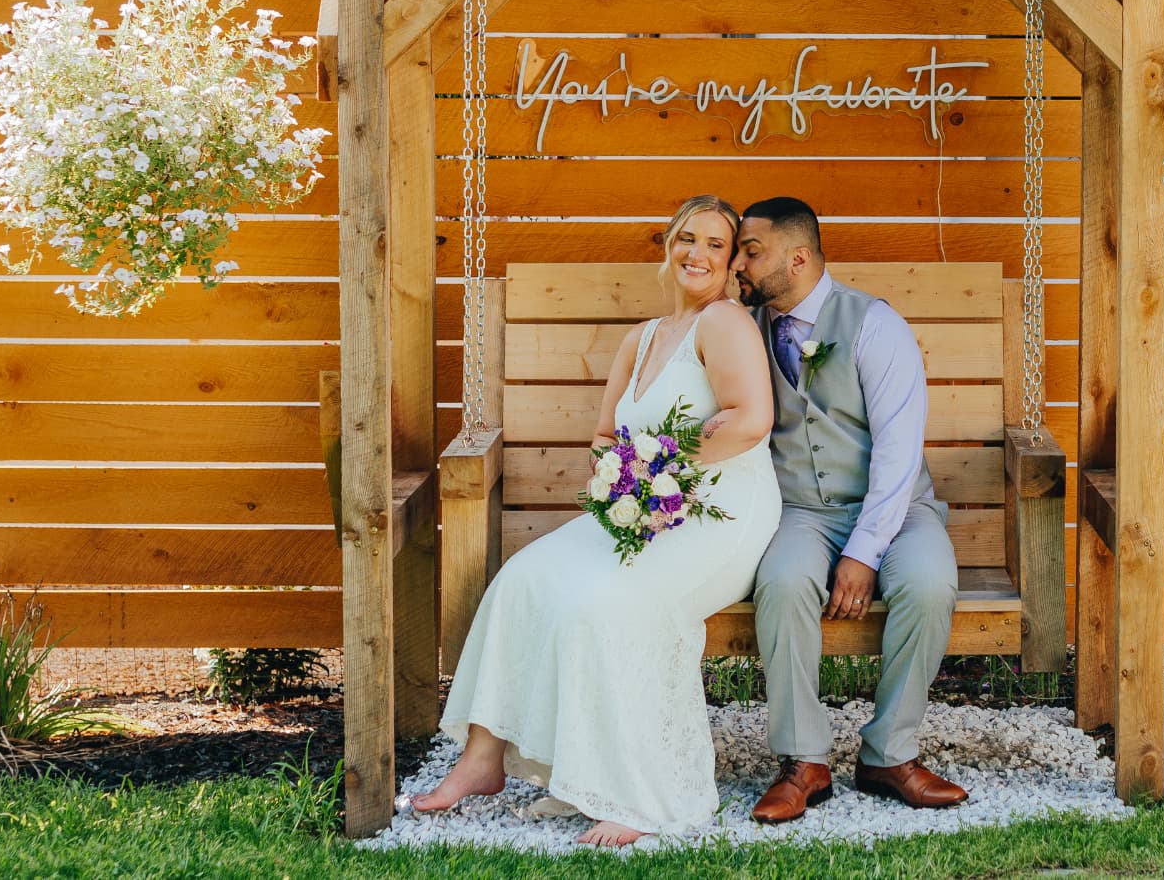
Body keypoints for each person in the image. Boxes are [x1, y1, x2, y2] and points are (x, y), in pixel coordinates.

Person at [407, 195, 782, 847]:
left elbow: (750, 421)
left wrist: (663, 467)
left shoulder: (724, 324)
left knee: (610, 604)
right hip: (643, 504)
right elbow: (608, 434)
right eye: (686, 238)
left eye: (715, 245)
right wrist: (621, 479)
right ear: (668, 246)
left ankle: (635, 792)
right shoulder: (642, 338)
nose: (696, 253)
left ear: (730, 265)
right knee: (522, 579)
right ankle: (481, 760)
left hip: (719, 513)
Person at [732, 197, 968, 823]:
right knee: (783, 584)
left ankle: (890, 754)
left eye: (751, 252)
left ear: (798, 258)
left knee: (929, 584)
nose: (738, 265)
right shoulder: (742, 328)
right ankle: (803, 761)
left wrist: (864, 551)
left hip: (896, 507)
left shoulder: (874, 324)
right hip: (801, 511)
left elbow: (898, 449)